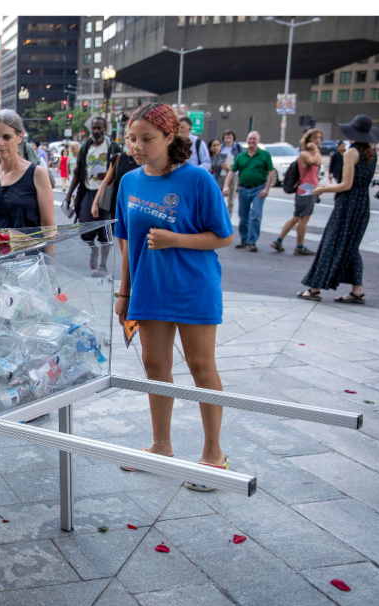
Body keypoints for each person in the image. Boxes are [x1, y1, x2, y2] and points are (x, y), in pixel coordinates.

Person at [110, 103, 236, 491]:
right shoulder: (130, 181)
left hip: (193, 287)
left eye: (147, 138)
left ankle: (214, 454)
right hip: (148, 288)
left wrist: (176, 239)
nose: (137, 146)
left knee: (201, 367)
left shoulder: (198, 179)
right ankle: (161, 447)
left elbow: (225, 236)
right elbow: (126, 240)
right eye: (132, 138)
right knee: (154, 366)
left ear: (170, 137)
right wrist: (124, 292)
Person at [298, 115, 379, 304]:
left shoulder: (351, 152)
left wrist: (322, 189)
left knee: (331, 242)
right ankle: (357, 291)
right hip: (362, 204)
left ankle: (314, 288)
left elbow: (346, 185)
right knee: (351, 246)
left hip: (348, 204)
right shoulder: (372, 152)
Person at [0, 109, 57, 229]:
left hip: (30, 247)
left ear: (20, 137)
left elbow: (48, 225)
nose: (0, 143)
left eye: (6, 137)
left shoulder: (37, 173)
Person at [68, 116, 123, 276]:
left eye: (100, 128)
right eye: (94, 128)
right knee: (85, 229)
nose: (97, 131)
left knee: (105, 231)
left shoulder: (113, 147)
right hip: (88, 192)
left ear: (105, 129)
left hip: (107, 195)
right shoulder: (86, 147)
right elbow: (78, 173)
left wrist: (108, 174)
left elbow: (121, 171)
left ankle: (103, 266)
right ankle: (93, 249)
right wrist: (69, 193)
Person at [272, 129, 325, 255]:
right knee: (303, 218)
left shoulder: (310, 153)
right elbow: (317, 162)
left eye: (319, 138)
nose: (318, 140)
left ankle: (278, 241)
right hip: (306, 189)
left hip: (309, 189)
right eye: (315, 137)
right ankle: (299, 246)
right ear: (308, 139)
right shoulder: (306, 154)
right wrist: (316, 149)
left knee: (297, 217)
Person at [229, 131, 278, 251]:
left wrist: (267, 188)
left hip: (259, 188)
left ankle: (252, 241)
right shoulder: (241, 156)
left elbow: (270, 172)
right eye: (250, 139)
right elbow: (232, 171)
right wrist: (226, 186)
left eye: (254, 139)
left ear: (258, 141)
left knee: (255, 215)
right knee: (243, 217)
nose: (252, 141)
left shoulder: (264, 155)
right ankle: (244, 239)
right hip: (244, 189)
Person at [217, 130, 242, 219]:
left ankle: (228, 218)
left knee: (231, 199)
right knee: (220, 197)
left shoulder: (237, 148)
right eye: (226, 138)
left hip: (233, 173)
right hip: (222, 174)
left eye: (230, 138)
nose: (228, 140)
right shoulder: (221, 148)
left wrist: (230, 167)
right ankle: (220, 217)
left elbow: (241, 160)